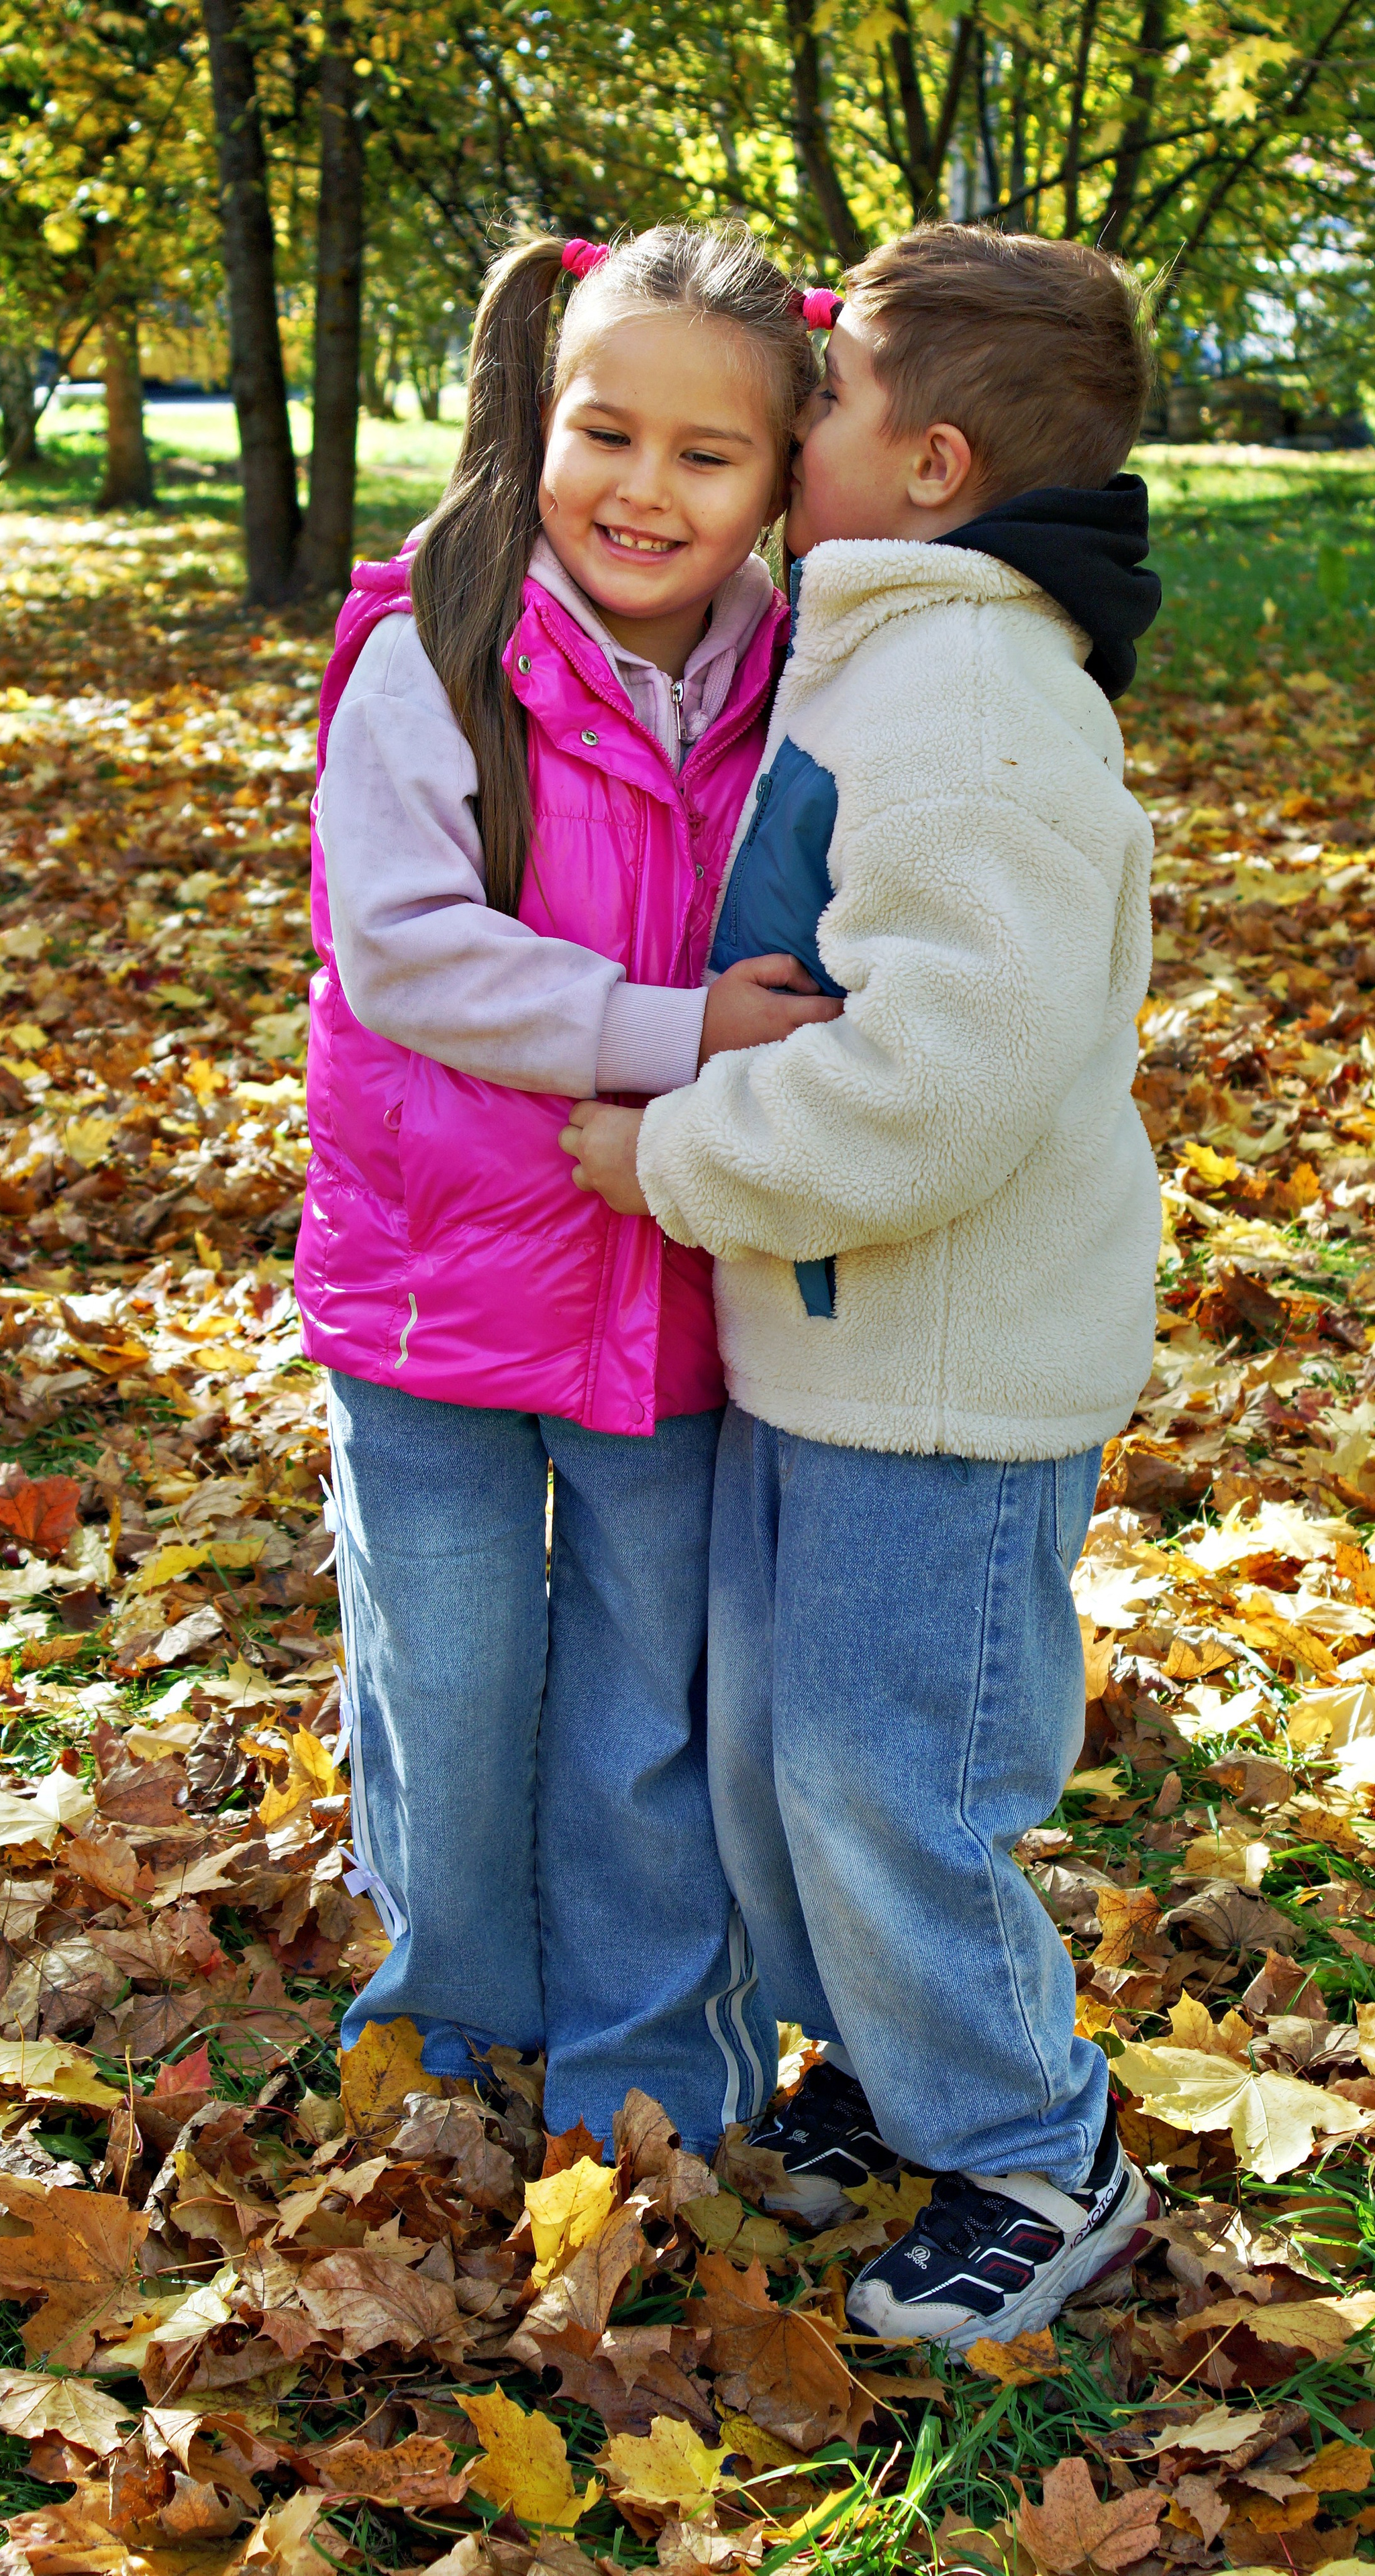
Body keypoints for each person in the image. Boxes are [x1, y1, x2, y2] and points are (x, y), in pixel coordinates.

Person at [558, 223, 1164, 2345]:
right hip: (824, 1350)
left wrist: (679, 1156)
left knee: (886, 1770)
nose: (781, 412)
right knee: (776, 1757)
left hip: (947, 1370)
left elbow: (949, 1078)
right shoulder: (878, 645)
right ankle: (891, 2076)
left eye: (820, 393)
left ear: (926, 463)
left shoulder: (981, 698)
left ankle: (1033, 2145)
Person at [299, 223, 844, 2151]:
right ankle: (439, 2034)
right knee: (447, 1684)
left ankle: (643, 2086)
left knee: (645, 1724)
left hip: (680, 1286)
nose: (644, 489)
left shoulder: (808, 678)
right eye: (607, 432)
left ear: (787, 478)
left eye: (709, 456)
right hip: (439, 1287)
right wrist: (678, 1029)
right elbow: (409, 952)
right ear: (542, 412)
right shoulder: (438, 646)